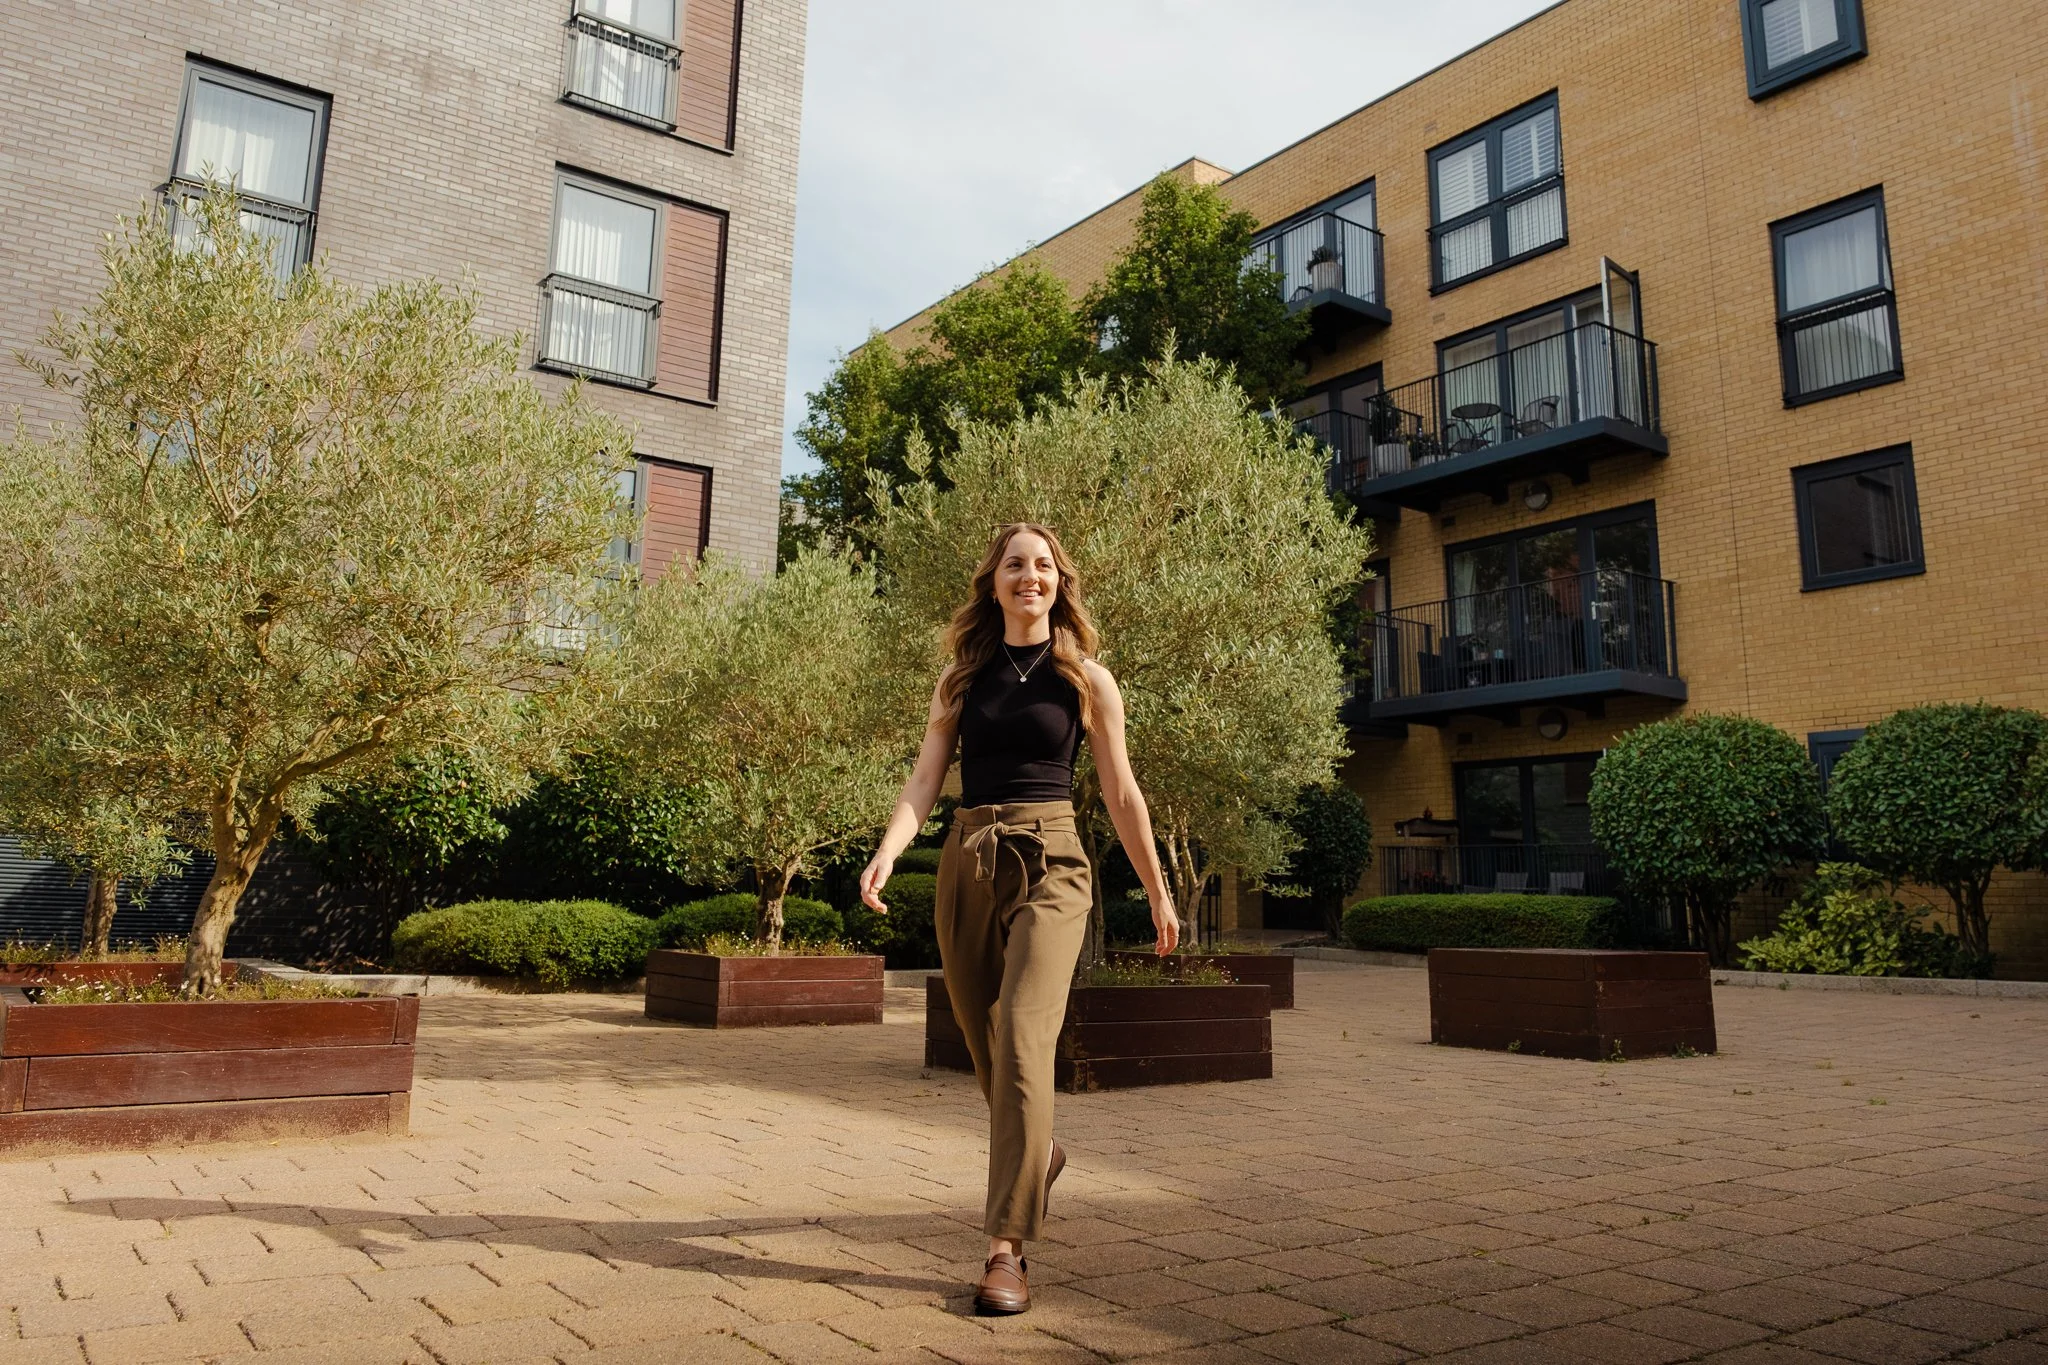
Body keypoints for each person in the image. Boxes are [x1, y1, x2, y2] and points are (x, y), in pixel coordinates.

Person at [860, 522, 1177, 1316]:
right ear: (993, 582)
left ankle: (1006, 1249)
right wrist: (892, 848)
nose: (1029, 576)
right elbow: (926, 776)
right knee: (983, 1038)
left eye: (1042, 565)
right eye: (1014, 564)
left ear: (1058, 582)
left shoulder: (1088, 679)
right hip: (968, 858)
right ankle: (1040, 1153)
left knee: (1027, 1039)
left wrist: (1159, 887)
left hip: (1052, 860)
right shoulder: (960, 678)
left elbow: (1122, 793)